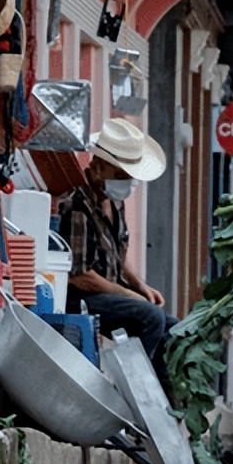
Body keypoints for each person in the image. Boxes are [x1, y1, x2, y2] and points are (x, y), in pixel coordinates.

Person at [57, 118, 178, 377]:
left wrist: (140, 287)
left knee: (173, 329)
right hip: (82, 299)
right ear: (99, 166)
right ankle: (133, 386)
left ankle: (165, 401)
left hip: (111, 294)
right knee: (149, 318)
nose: (128, 183)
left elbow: (117, 255)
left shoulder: (114, 202)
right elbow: (80, 276)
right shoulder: (78, 205)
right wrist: (128, 295)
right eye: (121, 175)